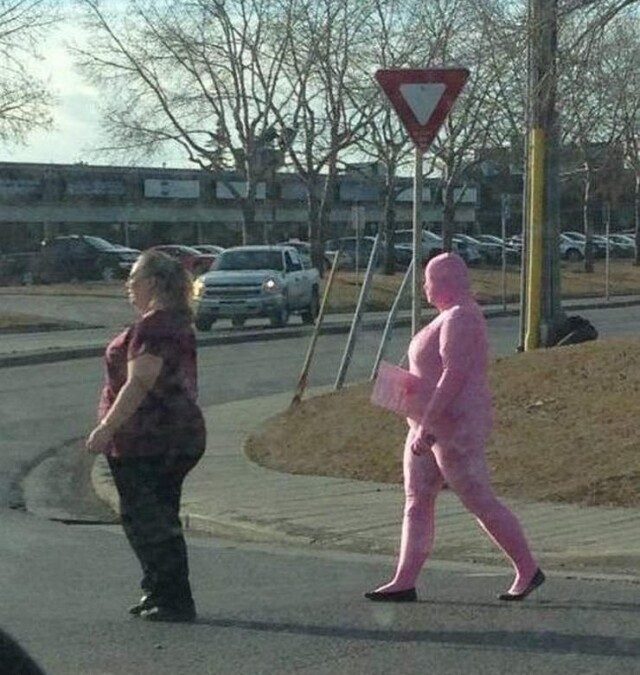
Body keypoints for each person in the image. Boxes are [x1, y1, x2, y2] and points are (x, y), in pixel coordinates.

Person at [365, 252, 544, 603]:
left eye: (428, 281)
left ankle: (527, 568)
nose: (424, 288)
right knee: (417, 499)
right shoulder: (447, 317)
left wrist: (429, 422)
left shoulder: (462, 317)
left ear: (446, 282)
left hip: (452, 425)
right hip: (426, 423)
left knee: (478, 498)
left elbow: (454, 374)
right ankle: (404, 578)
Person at [86, 250, 206, 622]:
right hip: (171, 435)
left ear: (152, 283)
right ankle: (160, 590)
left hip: (150, 439)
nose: (128, 285)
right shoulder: (173, 322)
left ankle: (172, 597)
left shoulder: (154, 327)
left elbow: (139, 382)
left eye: (133, 278)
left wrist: (106, 428)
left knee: (148, 521)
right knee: (155, 517)